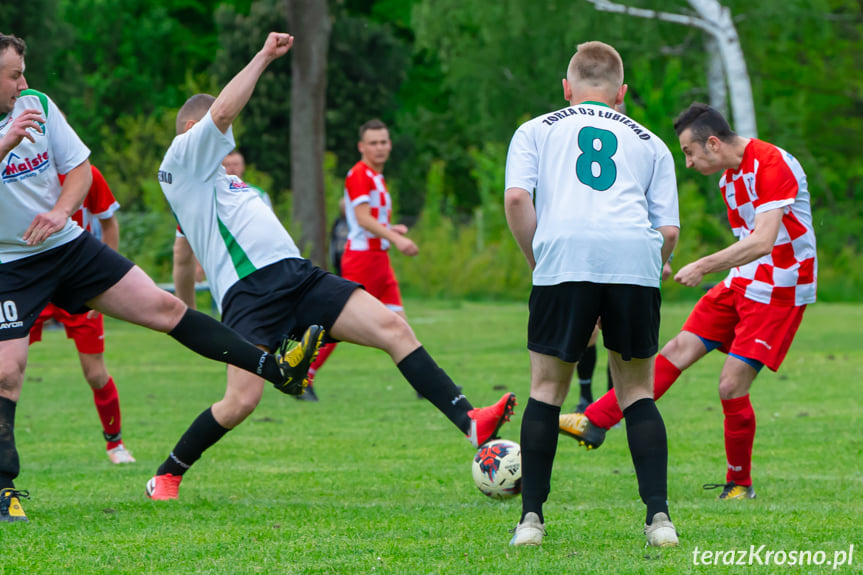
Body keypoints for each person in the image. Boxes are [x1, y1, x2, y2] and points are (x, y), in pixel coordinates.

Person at [152, 32, 516, 501]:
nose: (221, 140)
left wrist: (189, 313)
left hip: (299, 277)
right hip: (251, 294)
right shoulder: (181, 161)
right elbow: (221, 113)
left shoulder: (220, 181)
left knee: (392, 327)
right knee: (240, 402)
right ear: (189, 131)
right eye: (210, 133)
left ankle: (468, 419)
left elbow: (184, 253)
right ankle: (168, 474)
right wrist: (264, 56)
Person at [0, 33, 316, 523]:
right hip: (9, 265)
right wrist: (8, 140)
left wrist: (63, 211)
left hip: (66, 248)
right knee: (7, 370)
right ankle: (4, 488)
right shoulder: (17, 123)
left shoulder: (38, 104)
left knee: (167, 308)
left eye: (24, 72)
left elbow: (80, 170)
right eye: (14, 76)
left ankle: (277, 369)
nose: (24, 84)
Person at [559, 102, 817, 502]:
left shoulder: (772, 165)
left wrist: (703, 266)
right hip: (743, 281)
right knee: (678, 347)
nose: (690, 163)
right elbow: (747, 244)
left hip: (780, 288)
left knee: (730, 385)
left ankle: (739, 484)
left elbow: (764, 240)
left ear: (712, 143)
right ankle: (594, 420)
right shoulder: (729, 178)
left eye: (689, 152)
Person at [504, 41, 680, 547]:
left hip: (564, 258)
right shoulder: (651, 142)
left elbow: (518, 198)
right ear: (621, 92)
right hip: (633, 260)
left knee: (545, 390)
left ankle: (531, 521)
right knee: (636, 392)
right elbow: (667, 231)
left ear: (567, 88)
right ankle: (660, 520)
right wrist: (647, 265)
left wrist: (540, 261)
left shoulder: (536, 129)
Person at [299, 119, 420, 403]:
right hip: (362, 260)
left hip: (380, 259)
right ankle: (302, 374)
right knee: (339, 324)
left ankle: (426, 382)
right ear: (361, 147)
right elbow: (363, 219)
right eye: (373, 143)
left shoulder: (377, 177)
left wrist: (393, 232)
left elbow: (370, 218)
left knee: (401, 326)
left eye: (384, 142)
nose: (380, 148)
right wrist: (398, 238)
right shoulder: (359, 174)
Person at [28, 164, 136, 464]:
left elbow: (109, 224)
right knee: (7, 370)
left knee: (95, 373)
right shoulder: (19, 170)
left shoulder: (86, 172)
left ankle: (115, 445)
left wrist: (104, 278)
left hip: (79, 285)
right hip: (32, 284)